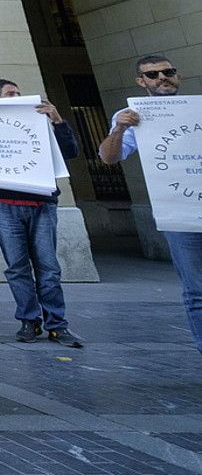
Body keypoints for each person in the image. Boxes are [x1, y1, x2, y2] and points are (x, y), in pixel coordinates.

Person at [98, 54, 201, 353]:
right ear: (141, 82)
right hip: (181, 213)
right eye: (152, 75)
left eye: (167, 72)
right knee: (197, 290)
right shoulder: (131, 115)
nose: (161, 78)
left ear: (177, 76)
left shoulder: (197, 109)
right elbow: (109, 157)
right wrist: (118, 128)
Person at [0, 79, 84, 348]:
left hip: (42, 204)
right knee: (17, 267)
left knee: (48, 267)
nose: (19, 96)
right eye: (11, 94)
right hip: (4, 204)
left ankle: (57, 325)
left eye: (18, 92)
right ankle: (29, 319)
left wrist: (57, 121)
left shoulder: (38, 122)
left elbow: (70, 152)